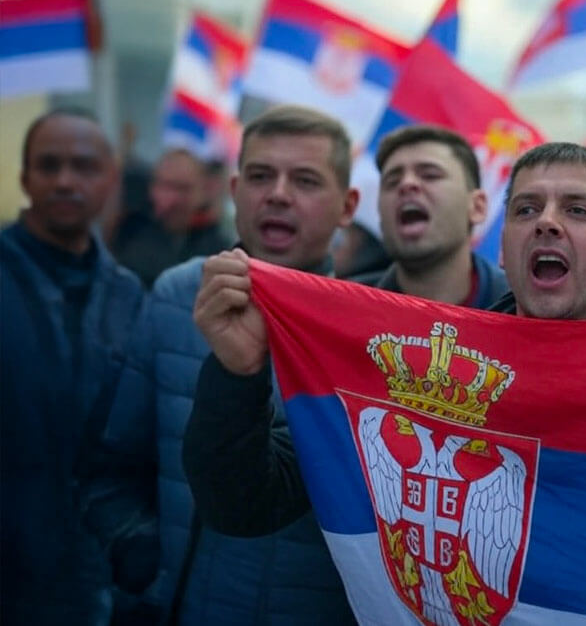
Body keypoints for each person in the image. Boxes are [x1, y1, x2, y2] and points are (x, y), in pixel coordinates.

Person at [181, 142, 586, 542]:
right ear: (504, 251)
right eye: (526, 210)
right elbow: (242, 505)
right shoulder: (427, 373)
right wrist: (236, 377)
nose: (546, 223)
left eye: (578, 210)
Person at [86, 105, 360, 625]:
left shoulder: (366, 331)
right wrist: (137, 552)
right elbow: (111, 464)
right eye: (260, 175)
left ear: (347, 206)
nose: (278, 193)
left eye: (304, 180)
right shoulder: (176, 296)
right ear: (234, 189)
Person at [1, 109, 144, 625]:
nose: (65, 180)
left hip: (92, 581)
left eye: (83, 166)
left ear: (110, 179)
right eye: (49, 166)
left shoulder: (130, 296)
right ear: (25, 178)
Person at [366, 125, 506, 307]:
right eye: (392, 182)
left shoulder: (524, 313)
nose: (407, 184)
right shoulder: (344, 308)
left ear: (477, 207)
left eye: (430, 175)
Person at [111, 148, 232, 286]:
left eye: (183, 189)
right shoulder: (130, 233)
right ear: (152, 188)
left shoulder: (218, 248)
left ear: (201, 193)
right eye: (166, 186)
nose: (172, 199)